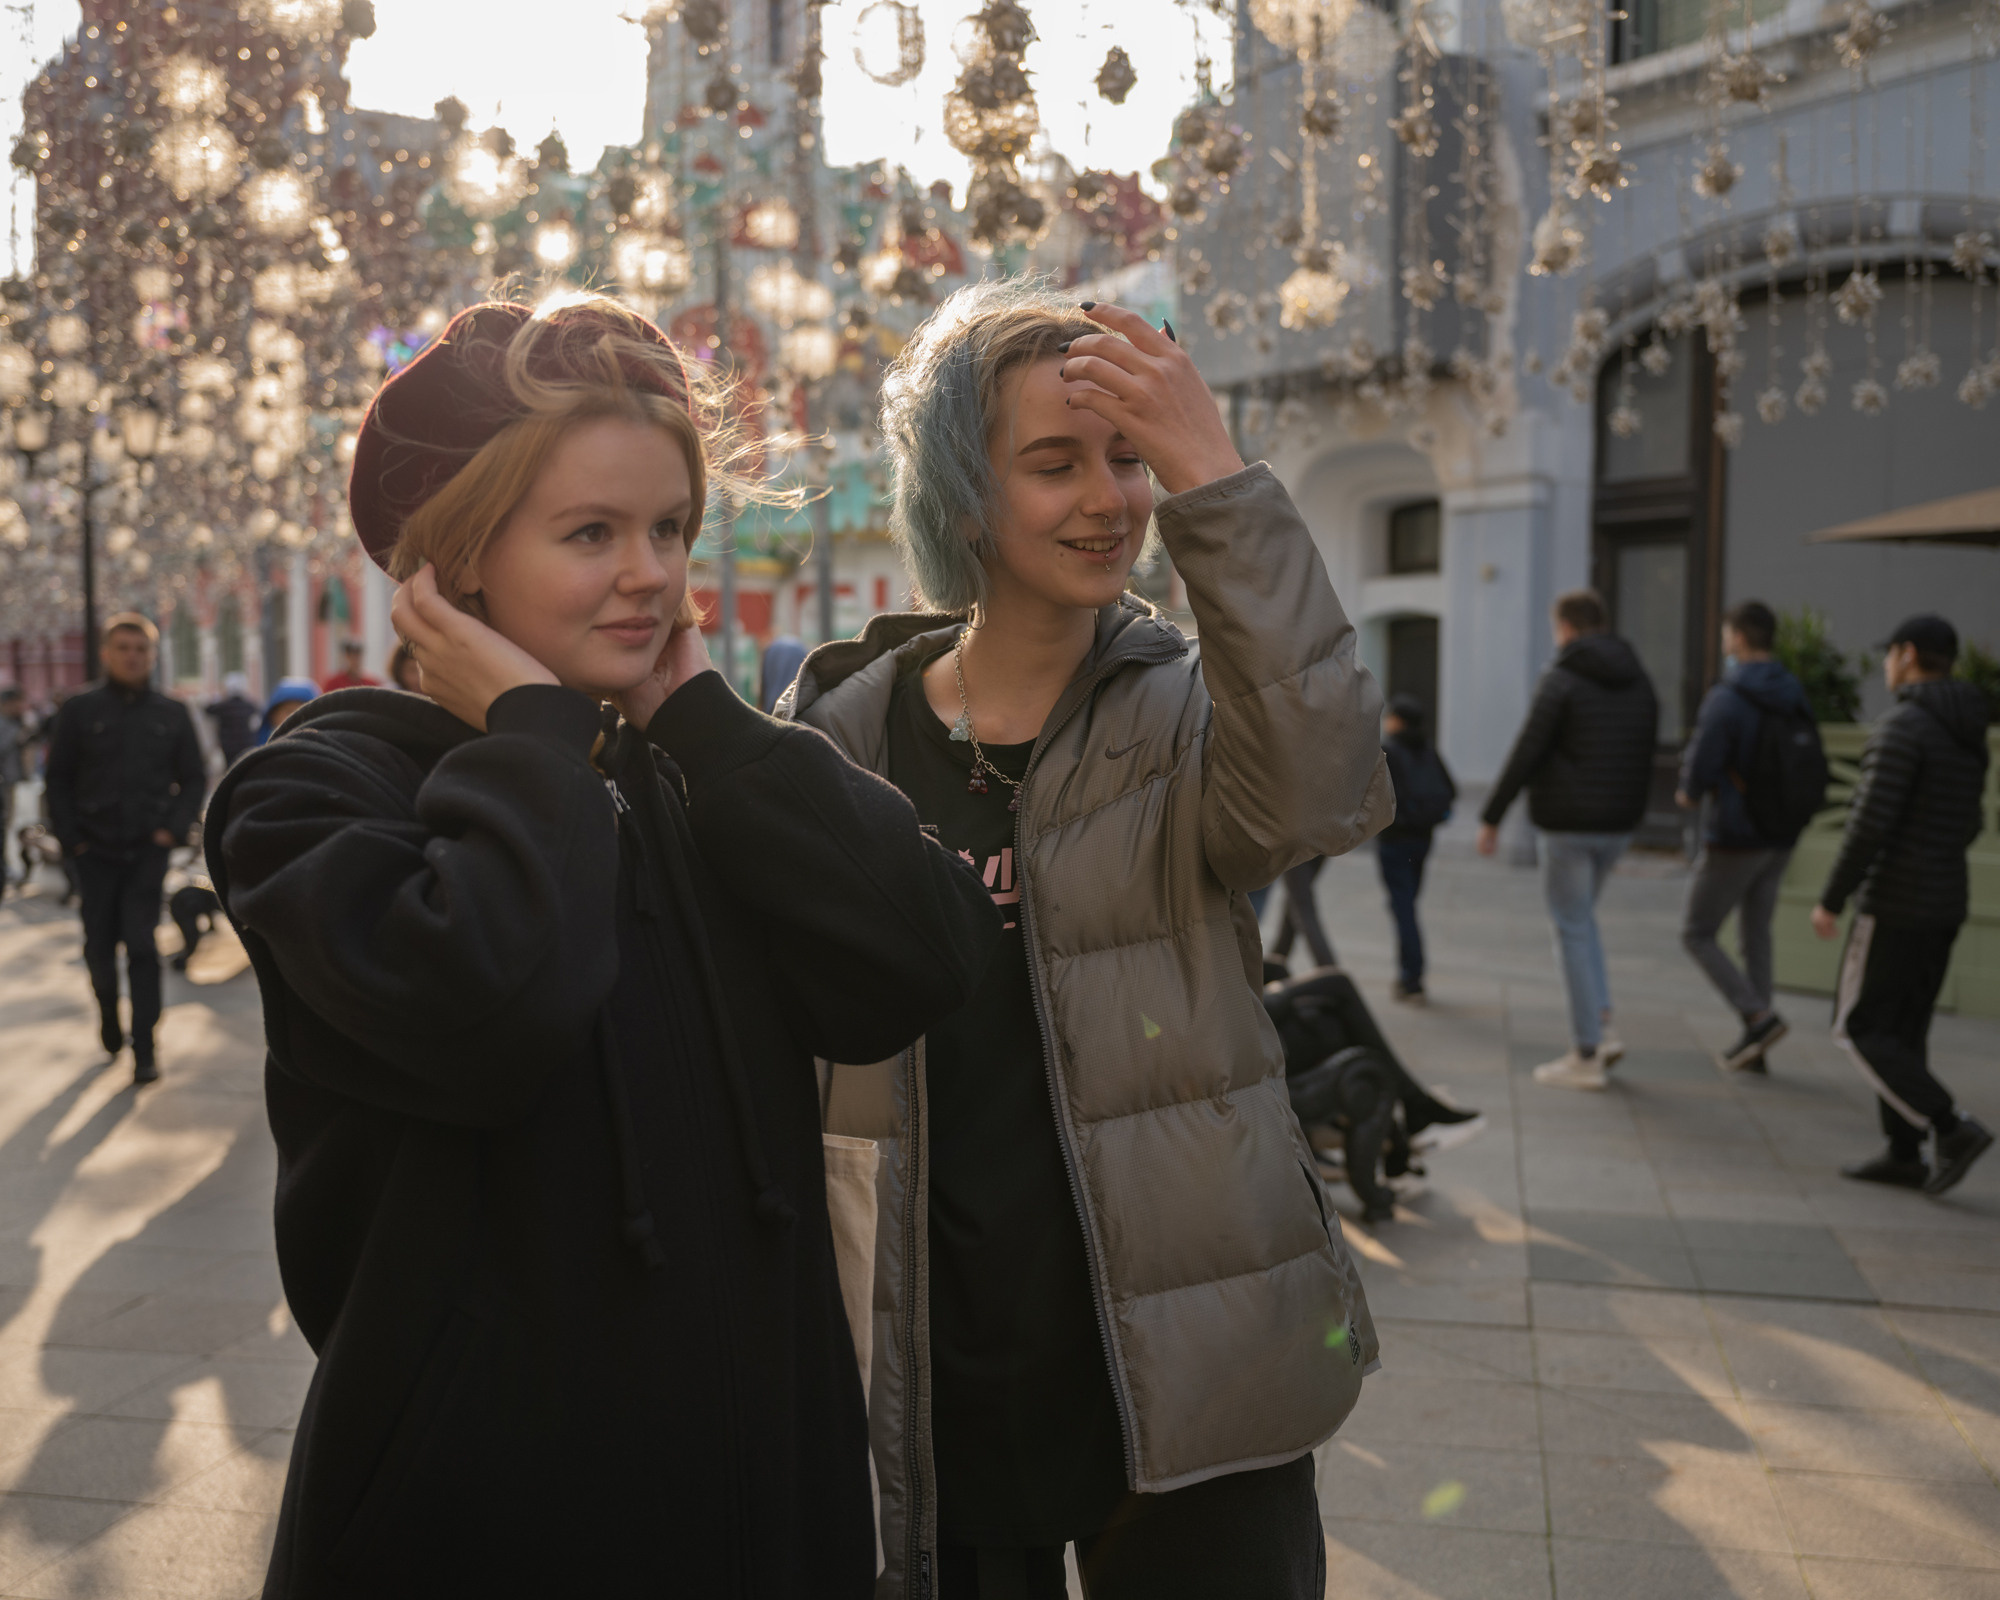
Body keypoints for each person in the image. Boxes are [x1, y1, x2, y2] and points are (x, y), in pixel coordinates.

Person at [203, 294, 999, 1600]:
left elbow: (923, 960)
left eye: (670, 528)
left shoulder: (696, 778)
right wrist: (529, 733)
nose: (652, 573)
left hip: (763, 1514)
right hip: (475, 1529)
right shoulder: (312, 795)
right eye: (591, 533)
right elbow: (489, 1012)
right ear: (456, 562)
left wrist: (709, 725)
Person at [783, 283, 1387, 1600]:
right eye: (1053, 464)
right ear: (960, 494)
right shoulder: (843, 733)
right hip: (934, 1360)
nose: (1108, 500)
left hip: (1186, 1352)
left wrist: (1215, 475)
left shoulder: (1186, 714)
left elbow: (1326, 785)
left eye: (1131, 460)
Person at [1813, 613, 1992, 1196]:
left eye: (1889, 655)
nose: (1887, 666)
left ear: (1908, 654)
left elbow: (1868, 825)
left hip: (1894, 901)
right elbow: (1969, 822)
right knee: (1905, 1029)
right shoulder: (1968, 730)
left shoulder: (1903, 726)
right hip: (1945, 899)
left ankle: (1950, 1126)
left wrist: (1831, 899)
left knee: (1859, 1027)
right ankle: (1903, 1152)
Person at [1477, 588, 1658, 1090]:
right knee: (1582, 921)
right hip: (1619, 824)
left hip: (1568, 824)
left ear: (1568, 629)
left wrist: (1491, 816)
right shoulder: (1638, 677)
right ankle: (1602, 1024)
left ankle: (1586, 1053)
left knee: (1571, 927)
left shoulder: (1562, 677)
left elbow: (1527, 748)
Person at [43, 614, 205, 1083]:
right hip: (92, 852)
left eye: (142, 648)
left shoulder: (172, 713)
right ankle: (110, 1020)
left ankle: (145, 1046)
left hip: (145, 852)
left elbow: (194, 778)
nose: (133, 656)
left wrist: (171, 831)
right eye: (124, 647)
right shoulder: (79, 710)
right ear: (108, 653)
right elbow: (58, 780)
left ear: (153, 656)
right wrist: (72, 839)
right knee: (99, 947)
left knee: (141, 945)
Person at [1676, 600, 1817, 1073]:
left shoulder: (1729, 695)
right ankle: (1759, 1040)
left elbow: (1703, 763)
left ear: (1737, 637)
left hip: (1737, 834)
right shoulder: (1793, 691)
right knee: (1757, 933)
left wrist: (1689, 793)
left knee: (1696, 931)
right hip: (1782, 833)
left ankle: (1757, 1017)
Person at [1377, 692, 1456, 1003]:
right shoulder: (1427, 750)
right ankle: (1410, 976)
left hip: (1396, 840)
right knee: (1407, 902)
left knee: (1403, 906)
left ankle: (1412, 977)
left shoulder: (1390, 751)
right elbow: (1451, 789)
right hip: (1423, 838)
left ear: (1399, 720)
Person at [204, 671, 262, 765]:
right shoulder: (249, 705)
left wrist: (218, 697)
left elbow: (208, 710)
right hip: (246, 742)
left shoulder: (222, 706)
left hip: (228, 744)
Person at [0, 684, 25, 896]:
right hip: (3, 783)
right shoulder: (5, 725)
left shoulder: (14, 723)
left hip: (10, 782)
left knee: (8, 824)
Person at [257, 676, 319, 743]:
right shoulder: (260, 749)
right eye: (289, 711)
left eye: (303, 712)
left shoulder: (324, 749)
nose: (295, 718)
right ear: (272, 716)